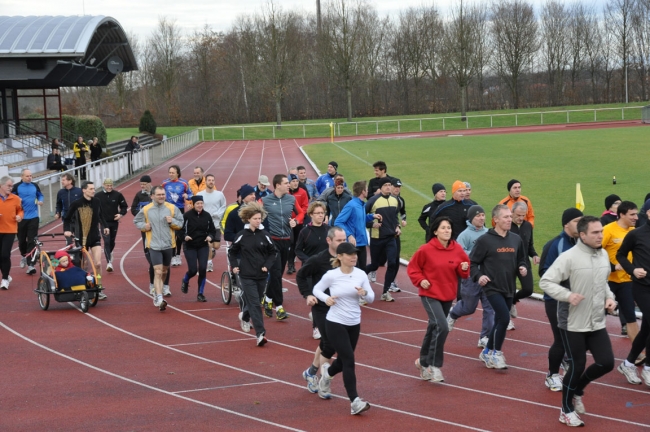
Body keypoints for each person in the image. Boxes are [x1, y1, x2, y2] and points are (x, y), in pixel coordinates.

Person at [540, 216, 616, 427]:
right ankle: (566, 410)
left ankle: (577, 389)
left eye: (601, 231)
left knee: (607, 362)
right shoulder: (569, 257)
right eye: (595, 232)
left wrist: (610, 298)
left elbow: (604, 283)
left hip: (596, 321)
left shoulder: (602, 255)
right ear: (582, 235)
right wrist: (567, 295)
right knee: (577, 364)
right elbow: (546, 281)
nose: (600, 235)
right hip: (572, 322)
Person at [312, 242, 374, 415]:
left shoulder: (361, 274)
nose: (354, 256)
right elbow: (316, 289)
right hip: (334, 321)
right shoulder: (331, 275)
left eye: (355, 253)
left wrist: (364, 294)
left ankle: (327, 374)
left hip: (354, 323)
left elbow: (372, 298)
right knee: (349, 360)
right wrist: (326, 299)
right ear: (339, 257)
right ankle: (355, 401)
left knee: (342, 361)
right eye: (349, 254)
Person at [408, 216, 469, 383]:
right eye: (443, 228)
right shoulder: (425, 250)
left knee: (433, 326)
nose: (447, 230)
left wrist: (463, 268)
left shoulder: (456, 249)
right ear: (435, 231)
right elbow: (413, 268)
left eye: (449, 227)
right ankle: (434, 366)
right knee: (442, 326)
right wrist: (421, 280)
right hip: (429, 294)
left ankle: (422, 361)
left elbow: (464, 270)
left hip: (447, 294)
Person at [471, 204, 527, 370]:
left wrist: (522, 267)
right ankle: (496, 353)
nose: (510, 219)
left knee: (498, 320)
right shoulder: (484, 241)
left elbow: (521, 259)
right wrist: (479, 276)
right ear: (495, 220)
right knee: (504, 317)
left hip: (509, 287)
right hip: (492, 287)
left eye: (510, 216)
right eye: (506, 217)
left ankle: (487, 351)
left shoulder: (516, 239)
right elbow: (473, 263)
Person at [539, 208, 583, 392]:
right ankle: (552, 375)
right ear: (566, 224)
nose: (580, 225)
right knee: (561, 339)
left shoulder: (582, 243)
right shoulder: (554, 245)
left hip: (577, 299)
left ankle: (566, 363)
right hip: (556, 300)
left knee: (580, 338)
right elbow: (544, 272)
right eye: (577, 221)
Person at [297, 227, 347, 390]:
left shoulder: (348, 258)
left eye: (344, 240)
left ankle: (311, 373)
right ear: (329, 241)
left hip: (341, 308)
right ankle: (324, 383)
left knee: (326, 344)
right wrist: (308, 295)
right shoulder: (318, 260)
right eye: (339, 240)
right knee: (330, 344)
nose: (342, 243)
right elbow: (301, 276)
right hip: (321, 307)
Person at [228, 202, 277, 346]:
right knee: (255, 303)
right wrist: (235, 266)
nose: (258, 221)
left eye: (260, 218)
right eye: (255, 218)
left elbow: (273, 252)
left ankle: (244, 315)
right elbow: (232, 251)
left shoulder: (265, 235)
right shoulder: (242, 235)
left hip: (261, 275)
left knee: (254, 301)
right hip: (246, 275)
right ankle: (260, 334)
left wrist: (267, 266)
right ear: (248, 219)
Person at [447, 205, 495, 349]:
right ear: (471, 218)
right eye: (478, 216)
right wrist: (479, 254)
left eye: (483, 215)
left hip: (487, 277)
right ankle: (453, 314)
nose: (481, 218)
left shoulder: (489, 233)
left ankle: (485, 337)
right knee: (469, 308)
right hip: (471, 277)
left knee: (490, 308)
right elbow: (459, 255)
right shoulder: (465, 235)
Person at [134, 186, 184, 311]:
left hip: (168, 244)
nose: (161, 196)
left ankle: (158, 291)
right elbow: (136, 221)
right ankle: (159, 297)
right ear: (152, 196)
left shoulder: (172, 208)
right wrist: (144, 226)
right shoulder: (146, 209)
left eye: (163, 194)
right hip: (154, 245)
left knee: (164, 272)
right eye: (159, 194)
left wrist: (172, 221)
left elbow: (181, 223)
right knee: (157, 271)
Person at [616, 204, 650, 387]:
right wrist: (632, 270)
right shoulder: (635, 234)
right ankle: (648, 369)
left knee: (646, 328)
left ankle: (628, 364)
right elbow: (621, 255)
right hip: (642, 287)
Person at [261, 174, 302, 319]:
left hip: (286, 240)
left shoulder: (291, 199)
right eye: (286, 183)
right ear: (277, 185)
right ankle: (279, 307)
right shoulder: (265, 200)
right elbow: (254, 212)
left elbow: (301, 213)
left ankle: (267, 299)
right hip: (272, 241)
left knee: (278, 273)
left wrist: (296, 221)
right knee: (277, 272)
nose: (289, 185)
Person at [64, 181, 110, 300]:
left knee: (98, 263)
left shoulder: (97, 201)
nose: (93, 191)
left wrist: (105, 226)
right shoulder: (76, 203)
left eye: (94, 189)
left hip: (94, 237)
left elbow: (101, 216)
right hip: (81, 238)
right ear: (84, 190)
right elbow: (67, 218)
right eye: (90, 189)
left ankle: (99, 287)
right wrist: (67, 231)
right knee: (83, 265)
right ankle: (82, 287)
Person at [602, 201, 639, 340]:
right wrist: (613, 266)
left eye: (636, 214)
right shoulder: (608, 230)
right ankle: (575, 350)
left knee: (630, 316)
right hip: (608, 281)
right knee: (598, 317)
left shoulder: (634, 232)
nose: (636, 217)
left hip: (627, 281)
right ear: (622, 215)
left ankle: (638, 352)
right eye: (632, 214)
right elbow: (596, 252)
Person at [296, 201, 331, 339]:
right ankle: (316, 327)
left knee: (327, 296)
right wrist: (307, 260)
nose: (320, 216)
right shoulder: (305, 232)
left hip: (327, 269)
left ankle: (322, 320)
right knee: (316, 296)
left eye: (322, 213)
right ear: (311, 215)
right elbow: (298, 249)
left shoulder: (329, 230)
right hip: (311, 269)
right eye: (317, 213)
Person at [365, 177, 401, 302]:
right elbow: (361, 216)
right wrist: (371, 224)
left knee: (392, 263)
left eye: (389, 185)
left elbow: (395, 217)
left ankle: (385, 292)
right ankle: (358, 276)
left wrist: (398, 226)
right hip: (377, 238)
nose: (388, 187)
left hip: (391, 237)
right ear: (380, 188)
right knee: (375, 265)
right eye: (385, 185)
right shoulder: (373, 200)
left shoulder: (395, 200)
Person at [335, 180, 380, 273]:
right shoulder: (351, 205)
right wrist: (349, 235)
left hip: (362, 243)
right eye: (366, 189)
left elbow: (359, 220)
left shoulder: (361, 204)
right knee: (354, 272)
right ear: (363, 192)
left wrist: (372, 216)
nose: (368, 191)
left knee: (362, 271)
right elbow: (338, 221)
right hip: (353, 245)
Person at [180, 195, 217, 302]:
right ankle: (186, 280)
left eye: (201, 203)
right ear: (193, 204)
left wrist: (210, 236)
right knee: (192, 270)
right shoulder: (186, 216)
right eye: (197, 203)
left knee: (202, 269)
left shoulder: (207, 216)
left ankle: (200, 293)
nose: (200, 205)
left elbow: (212, 230)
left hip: (203, 245)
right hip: (190, 246)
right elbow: (179, 230)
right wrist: (184, 237)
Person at [509, 201, 540, 326]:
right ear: (512, 213)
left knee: (528, 289)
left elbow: (529, 245)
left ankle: (512, 301)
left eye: (523, 215)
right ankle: (506, 319)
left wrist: (534, 255)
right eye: (518, 215)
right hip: (509, 263)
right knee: (508, 290)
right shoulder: (506, 226)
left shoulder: (527, 226)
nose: (521, 218)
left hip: (524, 263)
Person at [12, 169, 43, 275]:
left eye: (31, 176)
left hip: (33, 217)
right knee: (21, 241)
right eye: (27, 176)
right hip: (21, 218)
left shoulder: (34, 185)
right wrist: (17, 199)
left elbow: (40, 195)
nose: (30, 177)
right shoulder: (16, 187)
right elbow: (9, 198)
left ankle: (30, 264)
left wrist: (41, 200)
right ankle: (24, 256)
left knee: (32, 240)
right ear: (22, 176)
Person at [162, 165, 192, 267]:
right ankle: (173, 255)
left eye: (172, 173)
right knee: (170, 234)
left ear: (177, 173)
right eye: (169, 172)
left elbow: (191, 194)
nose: (171, 174)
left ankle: (178, 255)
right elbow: (159, 195)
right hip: (168, 210)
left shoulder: (184, 183)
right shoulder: (164, 183)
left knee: (179, 233)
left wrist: (187, 196)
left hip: (179, 210)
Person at [131, 175, 156, 295]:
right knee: (146, 245)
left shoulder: (156, 193)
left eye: (144, 184)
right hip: (145, 226)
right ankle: (151, 263)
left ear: (149, 183)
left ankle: (155, 262)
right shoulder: (138, 195)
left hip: (157, 225)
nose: (142, 186)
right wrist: (141, 216)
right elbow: (133, 209)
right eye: (141, 184)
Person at [96, 178, 128, 273]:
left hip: (114, 222)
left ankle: (109, 252)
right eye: (107, 185)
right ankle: (109, 263)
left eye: (111, 185)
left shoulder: (118, 195)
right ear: (103, 185)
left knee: (112, 242)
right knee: (106, 241)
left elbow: (124, 206)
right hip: (103, 222)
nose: (109, 187)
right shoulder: (98, 196)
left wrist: (121, 214)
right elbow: (95, 209)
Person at [0, 176, 23, 289]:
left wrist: (19, 216)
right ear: (1, 185)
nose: (11, 187)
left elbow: (20, 210)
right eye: (8, 185)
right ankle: (6, 275)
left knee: (5, 254)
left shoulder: (16, 198)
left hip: (10, 229)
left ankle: (4, 279)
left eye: (12, 186)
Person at [201, 174, 226, 273]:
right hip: (204, 224)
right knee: (208, 244)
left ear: (214, 182)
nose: (211, 182)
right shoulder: (200, 194)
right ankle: (209, 262)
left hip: (216, 223)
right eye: (209, 180)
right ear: (206, 182)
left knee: (216, 246)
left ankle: (211, 252)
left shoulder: (219, 194)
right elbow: (198, 206)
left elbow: (223, 206)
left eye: (212, 180)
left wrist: (216, 214)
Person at [287, 173, 309, 274]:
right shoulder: (286, 193)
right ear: (289, 183)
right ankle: (290, 265)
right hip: (287, 222)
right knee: (291, 243)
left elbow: (305, 207)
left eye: (296, 181)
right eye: (293, 181)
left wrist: (298, 219)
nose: (295, 183)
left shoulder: (302, 192)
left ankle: (304, 265)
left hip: (299, 222)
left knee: (299, 243)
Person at [55, 173, 83, 245]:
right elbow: (58, 204)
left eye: (64, 180)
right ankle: (70, 255)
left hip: (78, 220)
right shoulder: (60, 192)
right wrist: (58, 212)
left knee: (79, 242)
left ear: (70, 181)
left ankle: (79, 256)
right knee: (68, 241)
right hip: (67, 220)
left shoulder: (79, 191)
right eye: (62, 180)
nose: (62, 182)